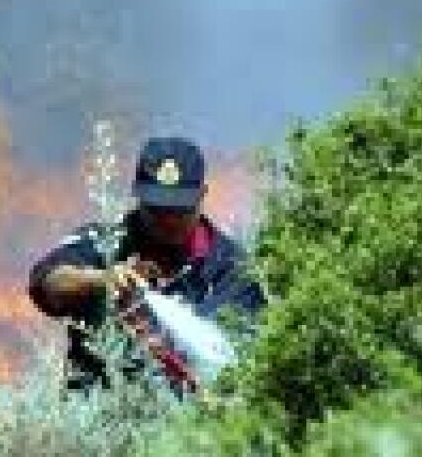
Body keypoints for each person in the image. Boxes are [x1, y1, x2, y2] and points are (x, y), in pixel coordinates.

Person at [27, 137, 266, 389]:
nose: (169, 221)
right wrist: (101, 280)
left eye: (180, 209)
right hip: (99, 418)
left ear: (202, 196)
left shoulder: (231, 266)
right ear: (137, 197)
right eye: (157, 209)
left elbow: (239, 356)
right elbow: (48, 281)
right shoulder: (105, 242)